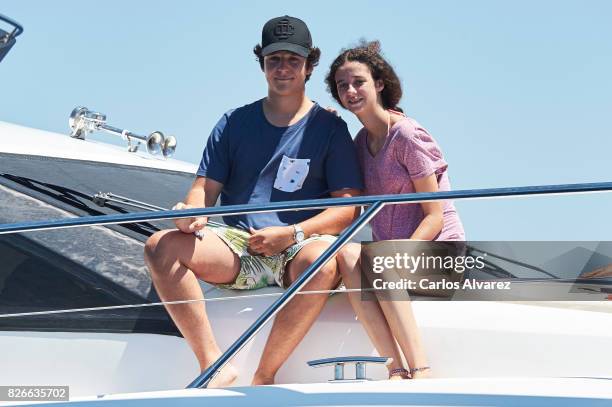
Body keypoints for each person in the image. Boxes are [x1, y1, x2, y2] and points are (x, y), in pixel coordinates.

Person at [144, 16, 363, 387]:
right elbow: (203, 190)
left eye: (293, 60)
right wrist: (191, 212)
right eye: (274, 59)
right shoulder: (233, 122)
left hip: (298, 245)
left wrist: (291, 234)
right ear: (261, 63)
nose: (283, 68)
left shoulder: (331, 128)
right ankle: (213, 364)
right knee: (158, 247)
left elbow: (348, 208)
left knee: (323, 261)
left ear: (310, 66)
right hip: (238, 245)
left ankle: (264, 377)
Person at [325, 40, 465, 379]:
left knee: (379, 258)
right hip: (390, 261)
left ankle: (421, 368)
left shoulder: (406, 135)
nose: (350, 90)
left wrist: (399, 257)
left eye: (358, 81)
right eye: (342, 85)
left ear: (379, 84)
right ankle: (395, 368)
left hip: (436, 252)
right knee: (347, 256)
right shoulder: (359, 144)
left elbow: (434, 216)